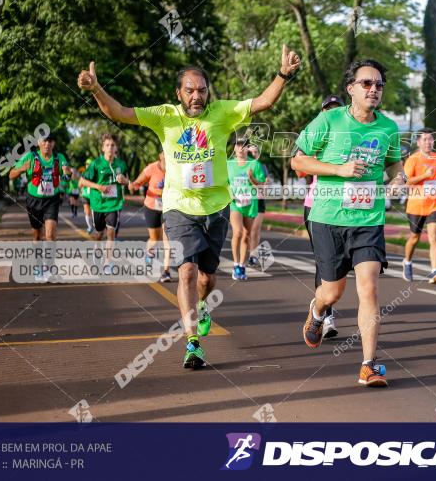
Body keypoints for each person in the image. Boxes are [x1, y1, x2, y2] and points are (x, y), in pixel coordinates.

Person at [77, 45, 300, 369]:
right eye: (190, 90)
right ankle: (192, 342)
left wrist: (283, 75)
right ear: (178, 93)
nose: (196, 95)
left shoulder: (223, 112)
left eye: (202, 90)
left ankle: (205, 306)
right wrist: (96, 88)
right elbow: (119, 113)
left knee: (208, 279)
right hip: (179, 208)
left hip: (217, 207)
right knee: (186, 271)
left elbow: (264, 101)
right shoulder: (165, 116)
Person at [292, 59, 404, 387]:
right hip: (328, 218)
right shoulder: (328, 120)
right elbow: (298, 159)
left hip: (369, 218)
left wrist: (399, 179)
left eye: (379, 85)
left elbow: (395, 164)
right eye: (366, 83)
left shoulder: (388, 128)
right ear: (351, 88)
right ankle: (317, 311)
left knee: (368, 286)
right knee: (333, 292)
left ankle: (369, 364)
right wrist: (338, 170)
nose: (374, 89)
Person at [296, 94, 344, 338]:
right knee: (323, 261)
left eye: (336, 109)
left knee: (340, 265)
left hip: (345, 208)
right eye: (327, 109)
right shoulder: (315, 135)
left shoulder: (349, 136)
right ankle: (326, 316)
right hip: (316, 206)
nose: (331, 113)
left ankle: (322, 306)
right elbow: (299, 166)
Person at [402, 128, 436, 284]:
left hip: (435, 203)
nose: (428, 142)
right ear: (419, 142)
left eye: (430, 139)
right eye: (425, 140)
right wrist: (425, 176)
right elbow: (407, 181)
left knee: (434, 238)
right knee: (414, 237)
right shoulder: (413, 159)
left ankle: (434, 271)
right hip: (416, 205)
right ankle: (407, 262)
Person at [8, 135, 71, 241]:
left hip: (52, 200)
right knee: (37, 236)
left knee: (50, 236)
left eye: (50, 141)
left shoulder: (59, 157)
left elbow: (67, 177)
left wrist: (68, 172)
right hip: (34, 200)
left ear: (53, 143)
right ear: (38, 143)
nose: (47, 144)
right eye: (44, 141)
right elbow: (11, 175)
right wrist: (22, 169)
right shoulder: (30, 156)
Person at [79, 134, 129, 264]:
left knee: (111, 233)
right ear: (103, 148)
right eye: (107, 145)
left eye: (112, 145)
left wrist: (124, 181)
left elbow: (128, 182)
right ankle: (97, 247)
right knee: (99, 233)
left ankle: (108, 262)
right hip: (98, 205)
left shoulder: (121, 164)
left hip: (114, 204)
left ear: (116, 148)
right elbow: (82, 181)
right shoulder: (96, 164)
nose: (110, 148)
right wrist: (98, 186)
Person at [227, 138, 267, 280]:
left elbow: (262, 185)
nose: (241, 149)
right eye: (238, 146)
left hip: (250, 204)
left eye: (244, 146)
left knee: (246, 235)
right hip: (235, 203)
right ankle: (236, 263)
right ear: (235, 149)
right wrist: (231, 196)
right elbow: (225, 183)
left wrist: (252, 179)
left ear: (247, 149)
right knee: (237, 232)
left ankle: (242, 266)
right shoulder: (229, 164)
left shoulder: (254, 164)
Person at [130, 152, 172, 283]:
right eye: (165, 153)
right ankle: (148, 251)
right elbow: (138, 182)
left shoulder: (175, 169)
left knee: (167, 239)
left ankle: (166, 271)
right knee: (155, 238)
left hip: (169, 208)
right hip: (151, 206)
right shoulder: (151, 168)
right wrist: (132, 186)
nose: (167, 156)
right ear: (161, 155)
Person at [245, 143, 268, 269]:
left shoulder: (262, 167)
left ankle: (253, 256)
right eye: (250, 152)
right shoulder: (242, 166)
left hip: (259, 201)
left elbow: (263, 184)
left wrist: (253, 179)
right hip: (245, 202)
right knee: (246, 232)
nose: (253, 155)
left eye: (255, 152)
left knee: (254, 230)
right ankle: (244, 255)